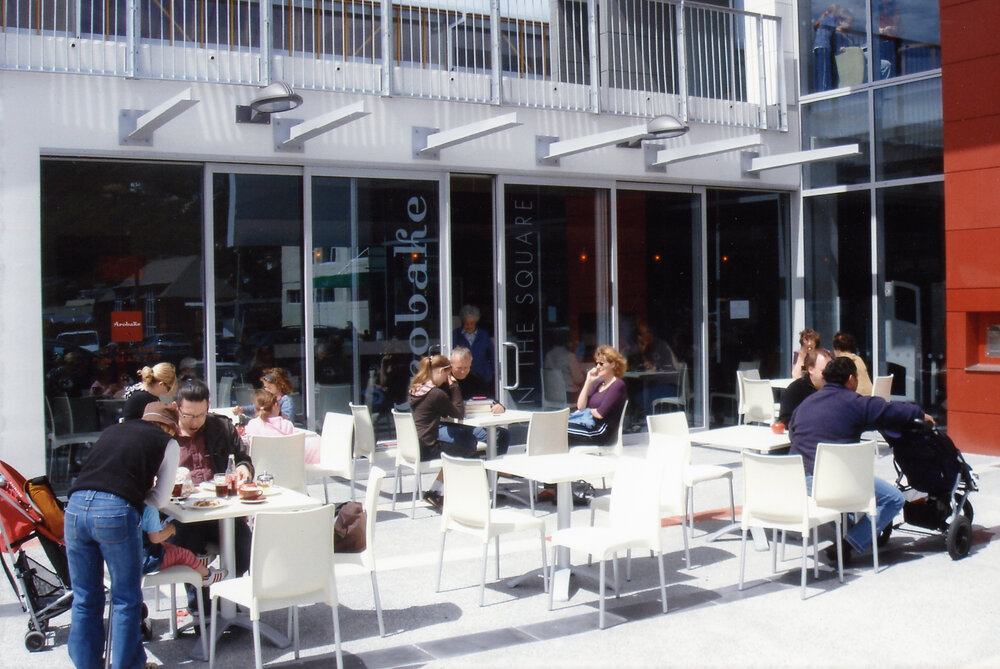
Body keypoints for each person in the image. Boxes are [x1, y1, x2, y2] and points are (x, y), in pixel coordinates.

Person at [65, 401, 180, 669]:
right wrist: (139, 494)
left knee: (85, 596)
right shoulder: (167, 442)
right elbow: (161, 499)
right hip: (115, 511)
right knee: (126, 598)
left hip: (75, 508)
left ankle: (86, 664)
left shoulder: (113, 431)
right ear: (170, 428)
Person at [788, 356, 934, 560]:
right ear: (850, 379)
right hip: (833, 482)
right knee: (894, 499)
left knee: (843, 507)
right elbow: (889, 409)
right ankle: (849, 544)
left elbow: (793, 434)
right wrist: (919, 413)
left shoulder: (805, 404)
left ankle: (851, 537)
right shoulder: (854, 403)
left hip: (801, 480)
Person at [171, 379, 254, 610]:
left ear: (208, 406)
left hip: (220, 508)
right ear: (177, 408)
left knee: (245, 546)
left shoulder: (220, 427)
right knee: (189, 545)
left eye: (201, 415)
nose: (195, 421)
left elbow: (243, 458)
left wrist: (243, 468)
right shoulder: (166, 433)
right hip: (182, 513)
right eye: (188, 415)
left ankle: (224, 599)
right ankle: (202, 607)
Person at [408, 355, 475, 512]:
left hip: (416, 445)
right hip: (428, 447)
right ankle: (439, 493)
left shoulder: (416, 389)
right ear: (441, 371)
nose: (447, 379)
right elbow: (459, 413)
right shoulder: (436, 394)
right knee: (469, 452)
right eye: (447, 374)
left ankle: (436, 492)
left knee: (459, 448)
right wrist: (454, 386)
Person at [442, 347, 510, 456]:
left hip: (472, 423)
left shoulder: (475, 378)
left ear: (471, 364)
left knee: (503, 435)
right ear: (451, 365)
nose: (463, 371)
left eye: (466, 367)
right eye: (459, 368)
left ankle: (493, 465)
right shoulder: (443, 381)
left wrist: (498, 406)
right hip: (449, 424)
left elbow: (489, 398)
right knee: (466, 439)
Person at [140, 504, 226, 585]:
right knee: (184, 554)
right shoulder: (150, 510)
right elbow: (155, 539)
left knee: (170, 547)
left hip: (139, 558)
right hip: (151, 561)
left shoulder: (135, 508)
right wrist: (170, 529)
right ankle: (207, 576)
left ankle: (195, 560)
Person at [568, 345, 629, 446]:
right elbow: (581, 406)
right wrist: (588, 381)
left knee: (561, 430)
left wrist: (588, 411)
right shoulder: (598, 385)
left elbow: (600, 413)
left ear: (613, 364)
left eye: (601, 363)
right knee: (559, 427)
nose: (597, 367)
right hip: (590, 426)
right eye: (596, 363)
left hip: (601, 431)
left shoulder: (617, 385)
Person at [777, 347, 833, 425]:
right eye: (824, 371)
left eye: (831, 371)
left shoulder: (836, 388)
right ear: (810, 370)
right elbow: (786, 420)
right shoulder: (795, 390)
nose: (829, 374)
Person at [451, 304, 495, 385]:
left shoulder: (483, 335)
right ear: (462, 322)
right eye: (466, 323)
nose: (469, 326)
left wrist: (493, 371)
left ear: (476, 322)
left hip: (482, 374)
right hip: (462, 375)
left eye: (472, 323)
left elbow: (491, 354)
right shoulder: (456, 334)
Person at [544, 329, 585, 402]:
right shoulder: (569, 356)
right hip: (568, 394)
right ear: (567, 341)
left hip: (550, 394)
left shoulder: (548, 355)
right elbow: (578, 379)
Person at [832, 331, 873, 396]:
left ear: (837, 348)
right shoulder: (858, 359)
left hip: (857, 397)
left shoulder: (840, 362)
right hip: (870, 395)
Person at [812, 4, 840, 91]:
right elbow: (838, 29)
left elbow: (815, 25)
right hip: (823, 45)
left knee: (821, 69)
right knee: (824, 69)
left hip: (818, 46)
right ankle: (824, 89)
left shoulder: (823, 19)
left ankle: (822, 88)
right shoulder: (830, 18)